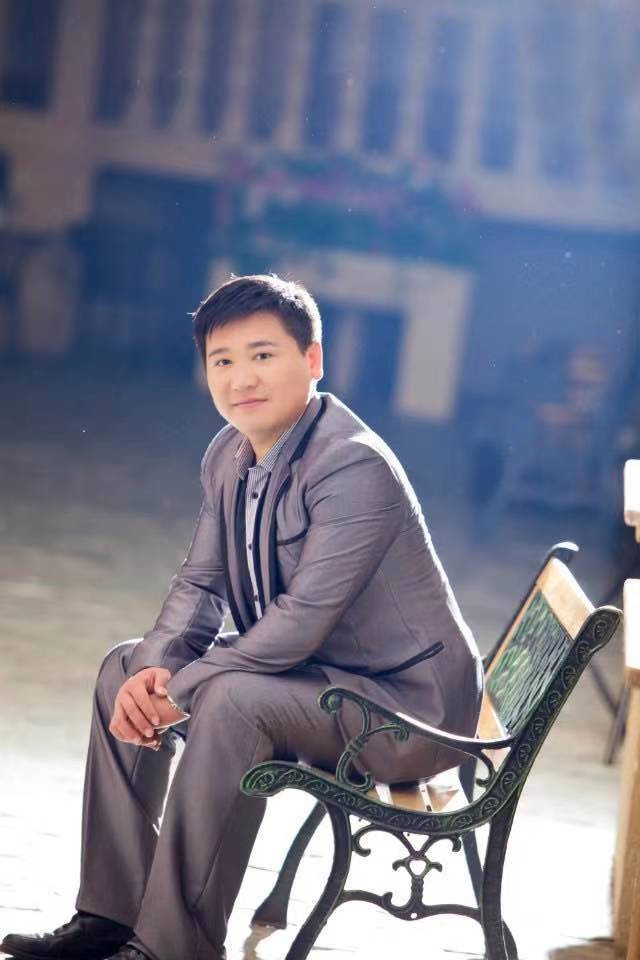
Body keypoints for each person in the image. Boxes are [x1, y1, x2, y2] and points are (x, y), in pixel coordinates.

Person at [2, 275, 483, 960]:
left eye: (263, 355)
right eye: (222, 360)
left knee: (232, 699)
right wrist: (155, 674)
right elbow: (201, 584)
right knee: (122, 670)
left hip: (408, 716)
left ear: (312, 360)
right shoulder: (228, 455)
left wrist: (181, 691)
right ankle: (109, 916)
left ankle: (174, 947)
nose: (241, 378)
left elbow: (300, 622)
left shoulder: (353, 466)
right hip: (322, 680)